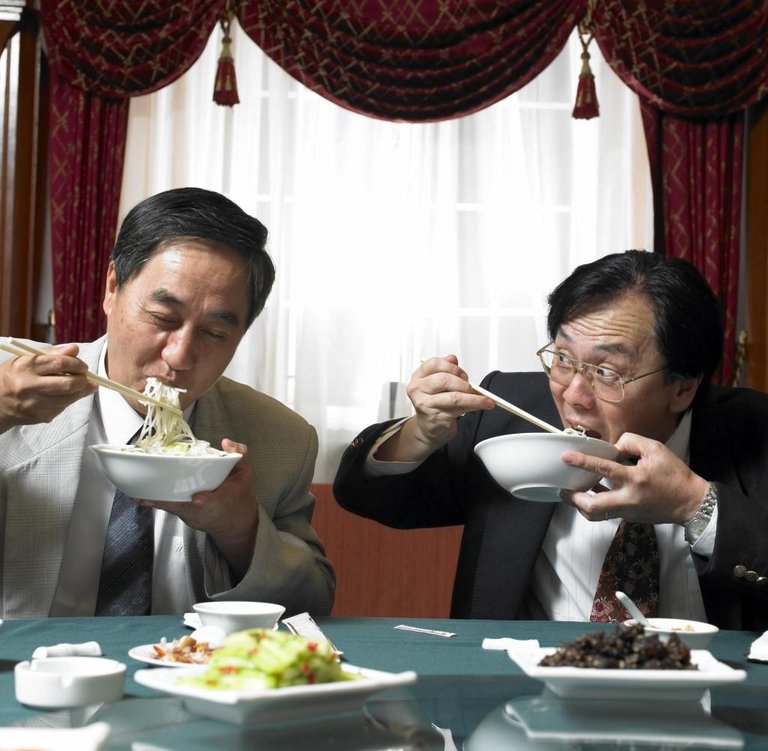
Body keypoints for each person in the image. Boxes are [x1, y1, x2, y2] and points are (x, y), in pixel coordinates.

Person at [333, 250, 768, 630]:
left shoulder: (755, 431)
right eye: (563, 358)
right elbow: (368, 496)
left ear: (683, 387)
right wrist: (419, 433)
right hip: (525, 698)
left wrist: (695, 505)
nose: (573, 395)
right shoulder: (508, 411)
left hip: (713, 701)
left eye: (607, 371)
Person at [0, 187, 335, 618]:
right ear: (112, 287)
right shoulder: (13, 386)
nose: (179, 356)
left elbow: (313, 604)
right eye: (162, 318)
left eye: (215, 333)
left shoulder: (280, 438)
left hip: (190, 675)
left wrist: (241, 530)